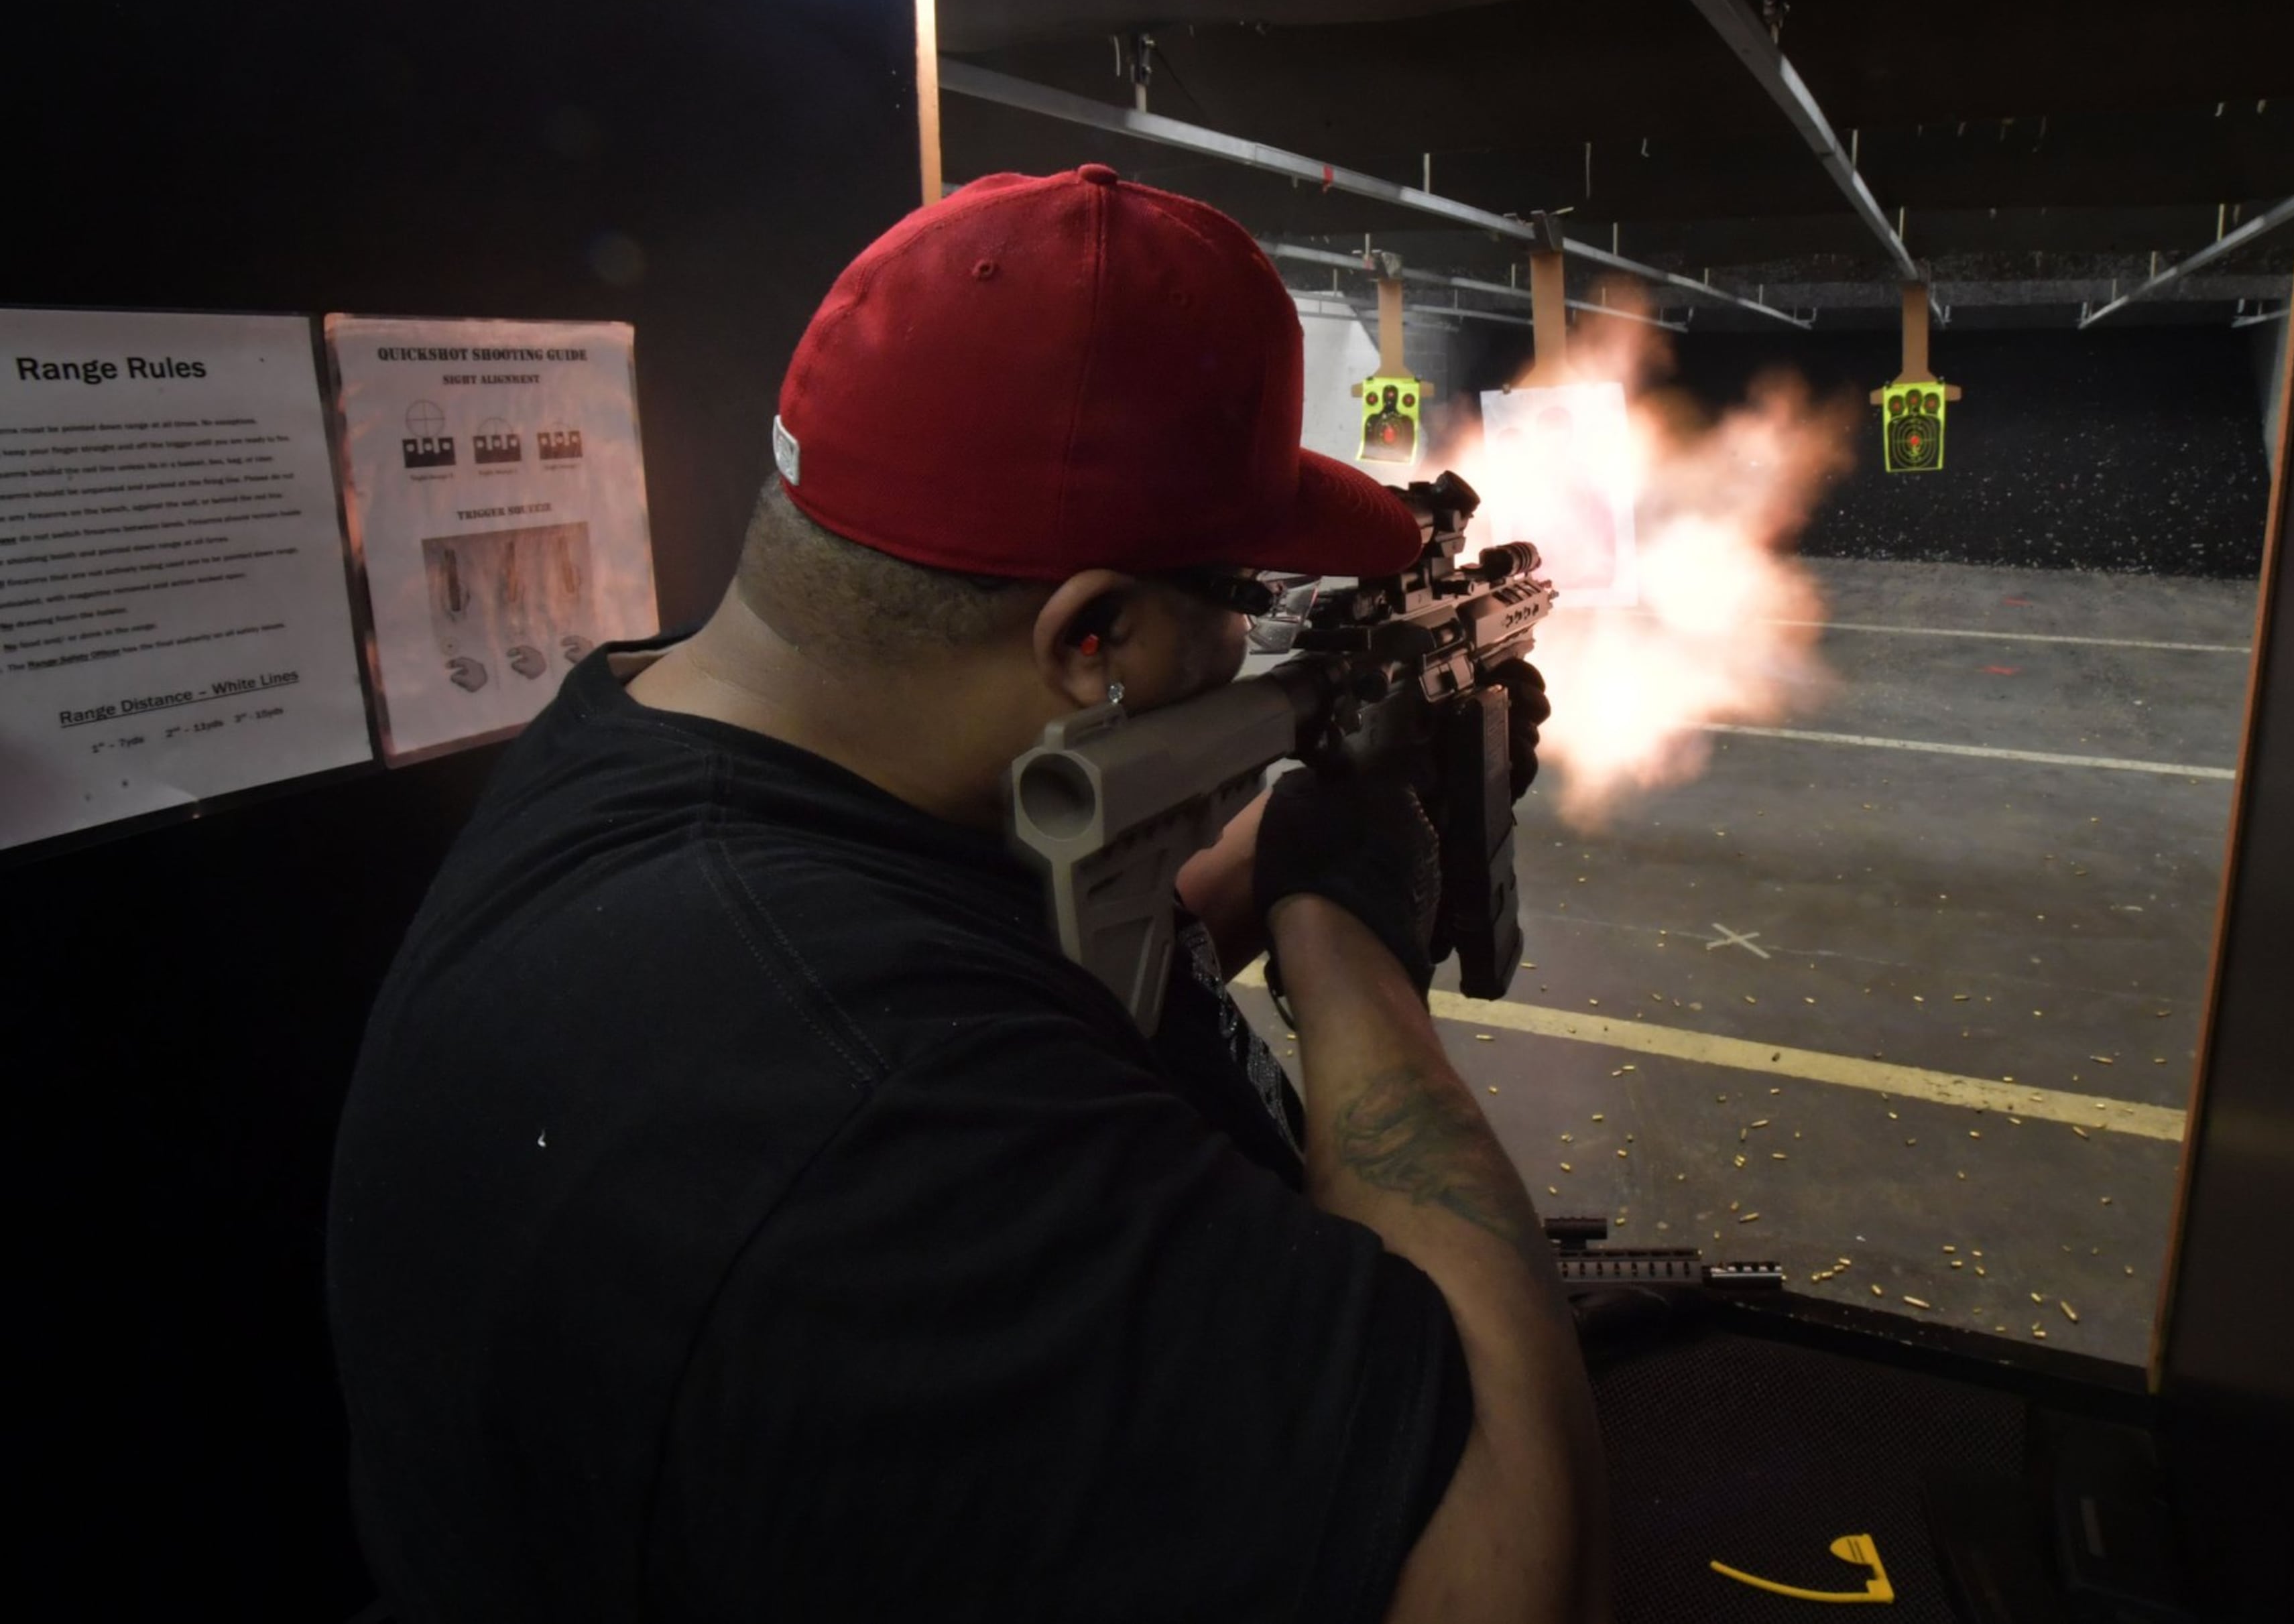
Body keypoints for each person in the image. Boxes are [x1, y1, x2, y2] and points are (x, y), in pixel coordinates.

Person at [328, 164, 1604, 1624]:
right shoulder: (867, 1119)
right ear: (1093, 635)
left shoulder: (665, 759)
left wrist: (1302, 847)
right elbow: (1518, 1571)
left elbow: (999, 966)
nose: (1262, 639)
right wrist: (1353, 941)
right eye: (1248, 597)